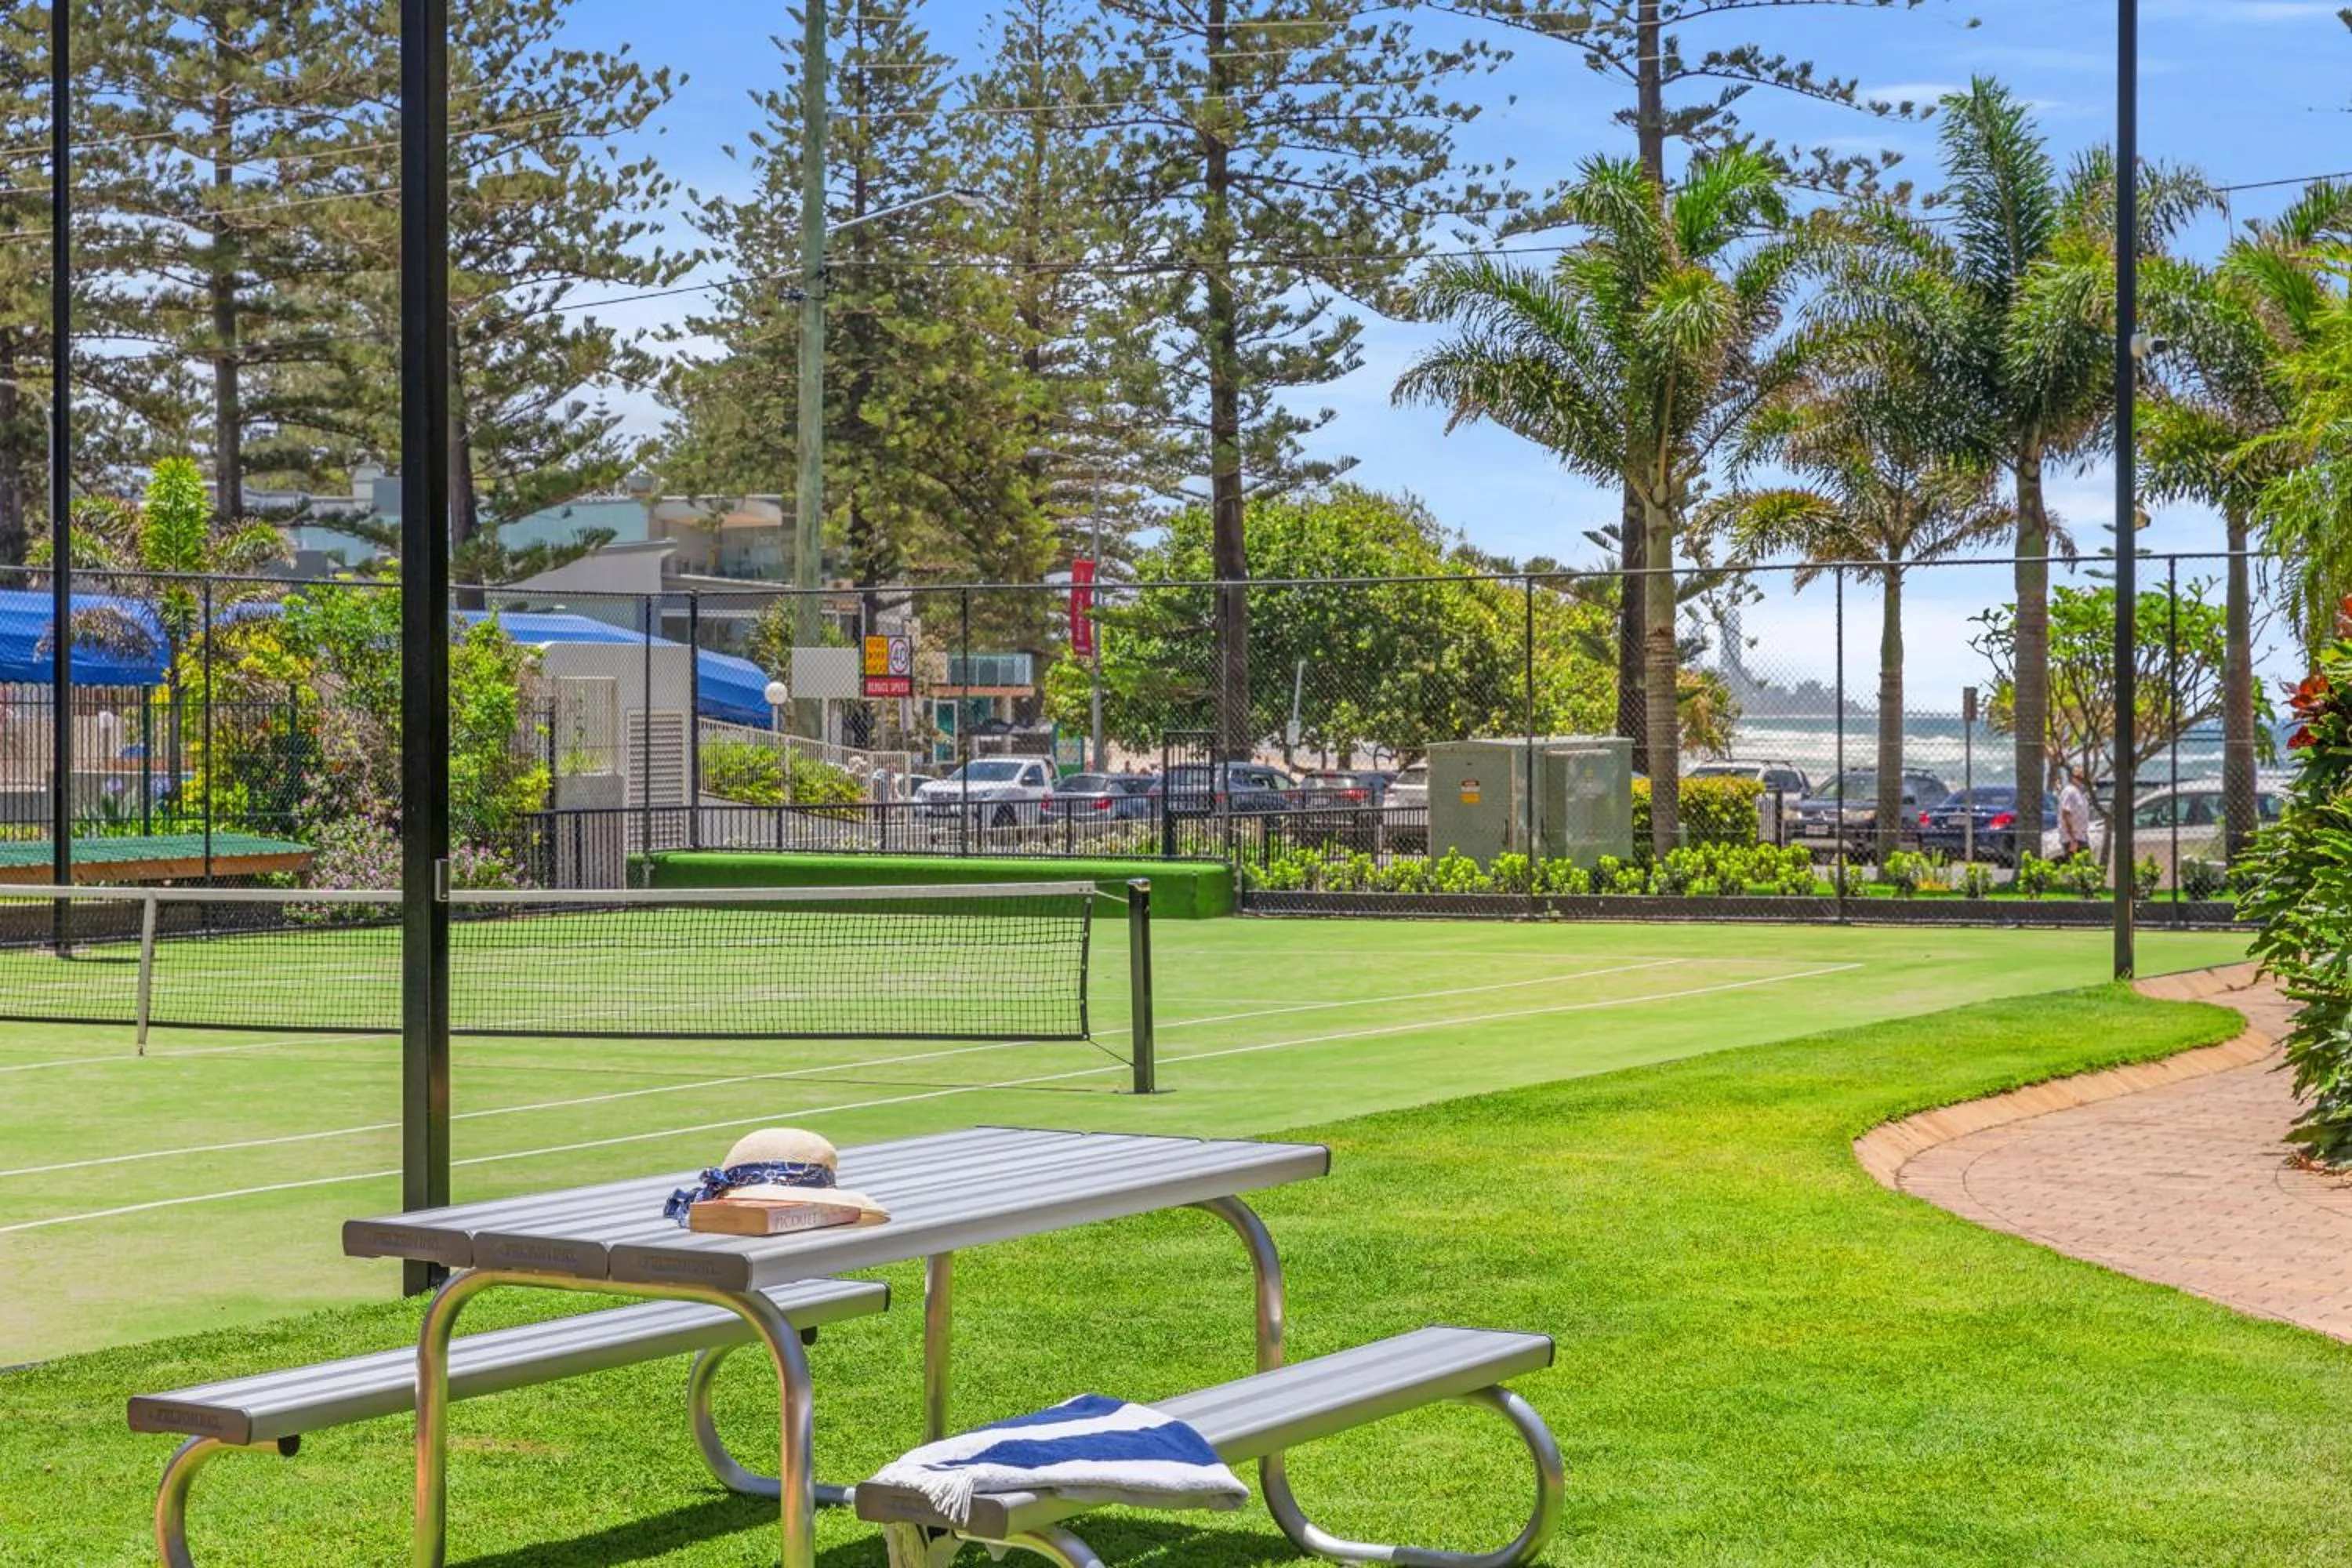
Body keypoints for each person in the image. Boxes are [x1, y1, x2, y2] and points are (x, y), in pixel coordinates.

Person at [2056, 768, 2092, 858]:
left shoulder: (2079, 793)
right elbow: (2066, 813)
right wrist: (2072, 838)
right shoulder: (2069, 791)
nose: (2081, 780)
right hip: (2072, 839)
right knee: (2074, 868)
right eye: (2078, 777)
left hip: (2081, 837)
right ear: (2072, 778)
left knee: (2084, 867)